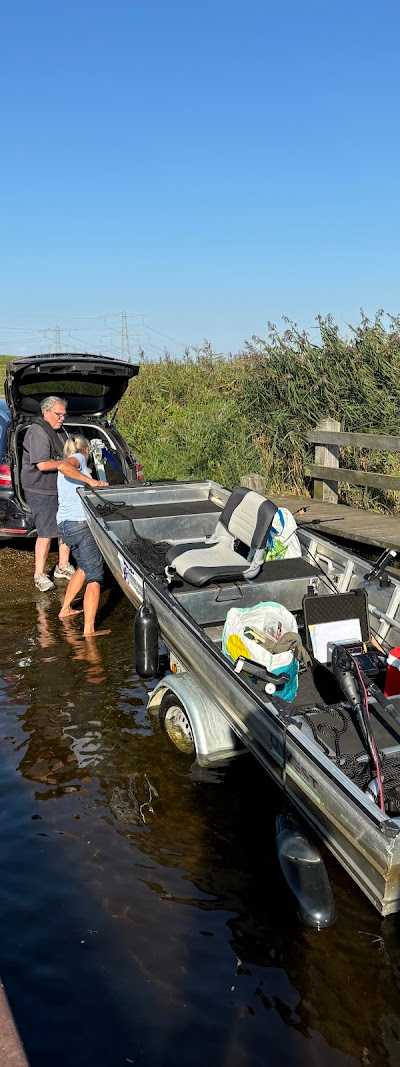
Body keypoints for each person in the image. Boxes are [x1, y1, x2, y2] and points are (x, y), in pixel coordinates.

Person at [21, 395, 99, 592]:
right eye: (59, 414)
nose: (63, 418)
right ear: (46, 412)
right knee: (46, 532)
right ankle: (39, 574)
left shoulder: (61, 429)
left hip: (58, 488)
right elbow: (43, 464)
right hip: (40, 489)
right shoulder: (37, 432)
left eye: (64, 414)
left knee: (63, 527)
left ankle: (62, 566)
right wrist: (66, 465)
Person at [56, 435, 108, 637]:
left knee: (84, 567)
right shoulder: (79, 458)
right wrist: (91, 481)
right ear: (85, 449)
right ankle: (89, 630)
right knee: (95, 576)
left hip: (65, 525)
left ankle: (65, 609)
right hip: (80, 526)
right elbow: (62, 466)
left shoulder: (74, 465)